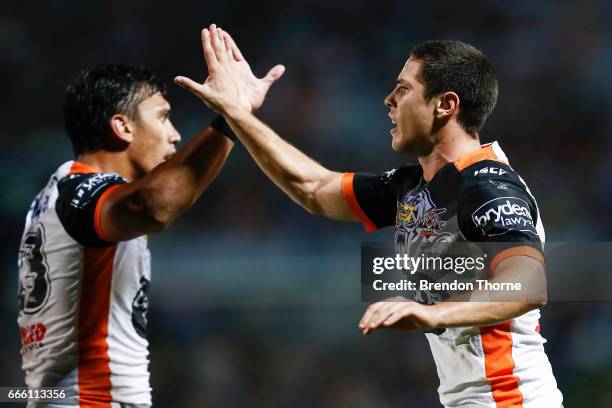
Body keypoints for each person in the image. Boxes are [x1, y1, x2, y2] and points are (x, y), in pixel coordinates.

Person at [175, 25, 564, 407]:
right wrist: (235, 114)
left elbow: (528, 282)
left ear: (446, 105)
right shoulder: (414, 187)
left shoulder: (486, 186)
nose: (388, 100)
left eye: (404, 88)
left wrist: (434, 313)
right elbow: (313, 188)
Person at [17, 45, 284, 406]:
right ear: (122, 126)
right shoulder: (80, 192)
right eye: (163, 117)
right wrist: (231, 117)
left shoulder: (55, 198)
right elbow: (154, 206)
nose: (174, 134)